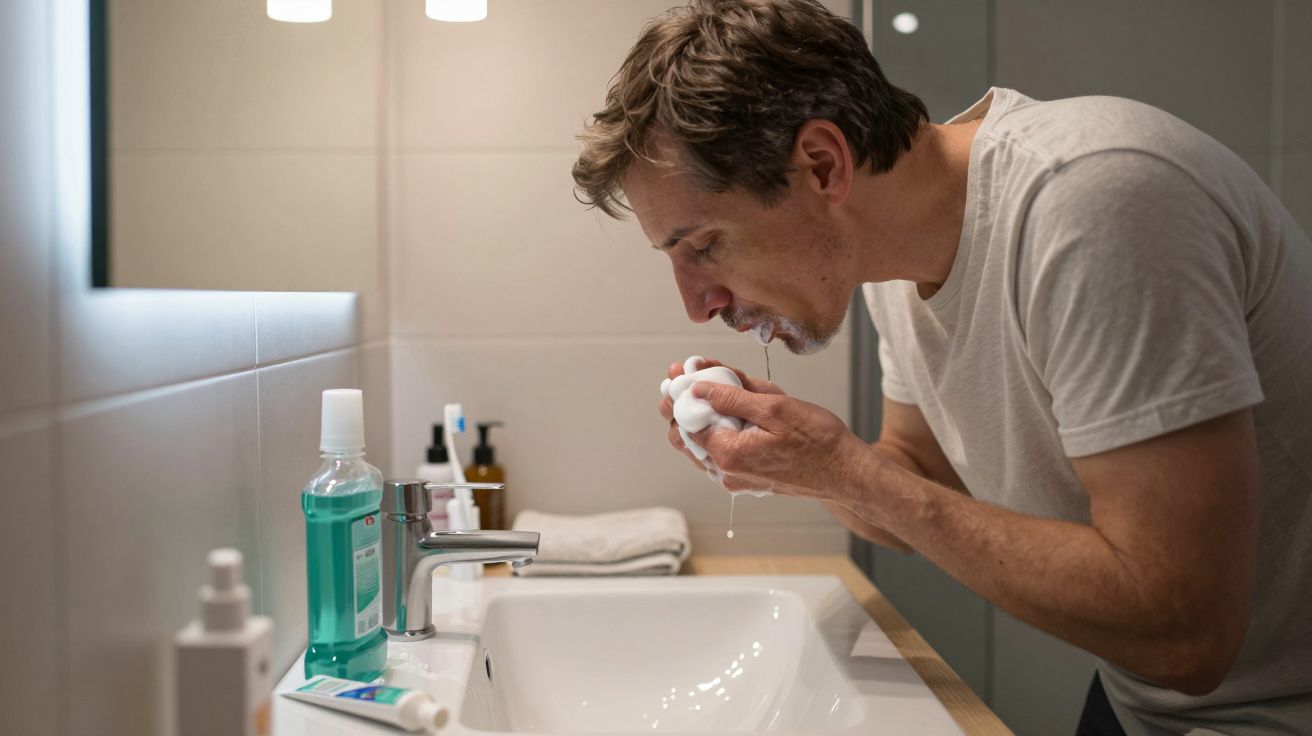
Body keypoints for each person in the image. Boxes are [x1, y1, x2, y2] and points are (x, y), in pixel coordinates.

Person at [570, 1, 1312, 735]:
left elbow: (1184, 632)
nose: (697, 305)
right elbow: (917, 478)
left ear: (822, 165)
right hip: (1144, 702)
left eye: (703, 245)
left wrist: (844, 470)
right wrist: (792, 466)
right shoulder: (892, 261)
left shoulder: (1094, 203)